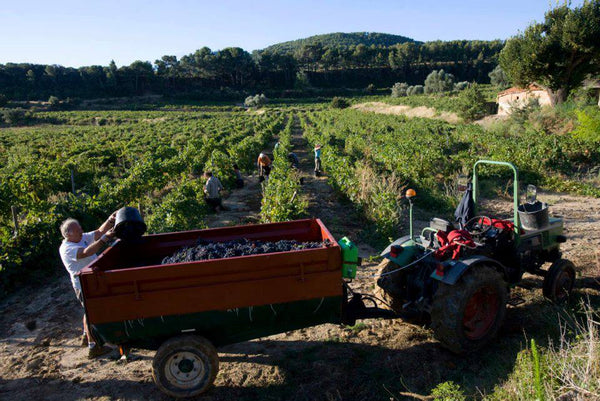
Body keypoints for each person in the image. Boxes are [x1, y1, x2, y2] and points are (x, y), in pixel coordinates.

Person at [59, 213, 117, 358]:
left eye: (80, 228)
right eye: (77, 230)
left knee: (89, 311)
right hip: (83, 285)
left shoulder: (81, 237)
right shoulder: (67, 248)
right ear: (67, 234)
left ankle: (86, 335)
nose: (81, 230)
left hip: (92, 281)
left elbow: (98, 232)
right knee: (92, 313)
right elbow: (85, 252)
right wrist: (105, 239)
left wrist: (110, 220)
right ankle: (94, 347)